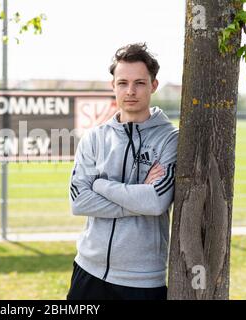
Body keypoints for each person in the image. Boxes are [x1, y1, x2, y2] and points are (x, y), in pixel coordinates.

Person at [67, 43, 178, 300]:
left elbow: (156, 201)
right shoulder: (94, 138)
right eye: (123, 83)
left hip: (142, 279)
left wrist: (101, 185)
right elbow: (78, 201)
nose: (130, 91)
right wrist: (137, 199)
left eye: (139, 83)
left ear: (153, 85)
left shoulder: (169, 139)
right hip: (88, 270)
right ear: (113, 86)